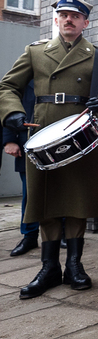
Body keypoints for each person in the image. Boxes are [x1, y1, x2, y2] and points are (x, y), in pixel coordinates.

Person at [0, 0, 98, 299]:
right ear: (56, 19)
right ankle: (49, 268)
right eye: (63, 15)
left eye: (75, 16)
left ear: (85, 22)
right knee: (46, 200)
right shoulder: (36, 51)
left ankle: (75, 266)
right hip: (42, 132)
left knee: (78, 200)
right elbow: (8, 86)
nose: (69, 20)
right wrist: (13, 114)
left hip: (80, 133)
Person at [3, 81, 38, 256]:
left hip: (57, 142)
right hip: (27, 142)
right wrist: (9, 140)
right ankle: (29, 236)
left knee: (60, 189)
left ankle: (62, 233)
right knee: (29, 194)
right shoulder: (22, 78)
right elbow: (6, 108)